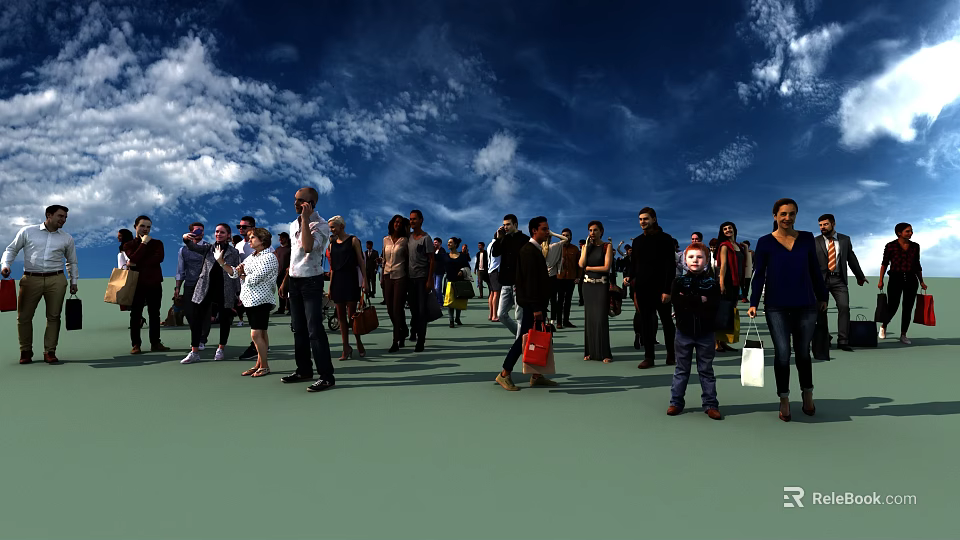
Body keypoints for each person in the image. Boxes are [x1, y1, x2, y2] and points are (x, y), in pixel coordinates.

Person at [748, 198, 828, 422]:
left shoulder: (806, 238)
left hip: (806, 304)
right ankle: (784, 398)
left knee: (803, 352)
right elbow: (759, 275)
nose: (787, 218)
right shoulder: (765, 242)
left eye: (792, 214)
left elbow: (814, 269)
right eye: (783, 214)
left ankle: (807, 394)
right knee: (782, 353)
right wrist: (753, 302)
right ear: (775, 216)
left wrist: (822, 296)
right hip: (776, 306)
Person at [2, 205, 79, 364]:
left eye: (65, 217)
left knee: (54, 316)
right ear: (48, 215)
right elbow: (11, 250)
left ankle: (50, 351)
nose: (63, 220)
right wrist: (5, 265)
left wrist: (74, 281)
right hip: (30, 279)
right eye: (60, 216)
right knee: (24, 316)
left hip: (56, 279)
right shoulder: (27, 231)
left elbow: (72, 261)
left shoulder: (67, 238)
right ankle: (25, 351)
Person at [278, 187, 335, 392]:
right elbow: (295, 256)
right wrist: (286, 281)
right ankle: (304, 370)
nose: (295, 203)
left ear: (311, 204)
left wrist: (305, 219)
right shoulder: (293, 224)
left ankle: (326, 376)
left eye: (300, 200)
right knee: (298, 329)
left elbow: (308, 247)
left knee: (315, 330)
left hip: (311, 281)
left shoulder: (321, 225)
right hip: (295, 280)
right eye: (295, 199)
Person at [494, 216, 558, 391]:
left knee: (537, 339)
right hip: (532, 305)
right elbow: (529, 282)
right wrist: (536, 308)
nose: (547, 232)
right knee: (525, 339)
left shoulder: (534, 249)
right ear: (534, 231)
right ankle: (504, 374)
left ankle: (536, 375)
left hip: (536, 304)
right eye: (544, 229)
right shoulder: (529, 251)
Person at [668, 242, 722, 420]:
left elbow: (714, 305)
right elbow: (677, 302)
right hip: (684, 331)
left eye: (699, 257)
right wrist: (701, 299)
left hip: (706, 332)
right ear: (685, 260)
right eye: (691, 257)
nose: (695, 260)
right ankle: (676, 402)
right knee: (681, 369)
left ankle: (711, 404)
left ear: (706, 260)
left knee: (706, 370)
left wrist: (689, 299)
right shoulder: (678, 282)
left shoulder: (712, 283)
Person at [219, 228, 278, 377]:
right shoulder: (252, 257)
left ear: (262, 240)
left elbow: (254, 279)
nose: (249, 240)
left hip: (261, 300)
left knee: (256, 334)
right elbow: (236, 273)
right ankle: (259, 364)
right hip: (250, 301)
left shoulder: (269, 257)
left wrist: (243, 273)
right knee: (261, 333)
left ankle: (264, 366)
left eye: (252, 238)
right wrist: (222, 263)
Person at [178, 223, 241, 364]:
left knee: (225, 320)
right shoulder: (208, 248)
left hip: (225, 289)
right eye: (217, 231)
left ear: (228, 235)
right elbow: (193, 247)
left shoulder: (234, 252)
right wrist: (185, 238)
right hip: (205, 288)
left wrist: (238, 292)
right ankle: (194, 352)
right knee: (197, 319)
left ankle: (221, 349)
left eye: (222, 232)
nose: (218, 234)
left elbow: (236, 272)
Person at [627, 207, 676, 368]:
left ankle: (671, 354)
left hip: (661, 289)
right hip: (642, 289)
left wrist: (667, 290)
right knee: (646, 323)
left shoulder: (666, 239)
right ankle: (649, 357)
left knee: (667, 322)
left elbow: (670, 266)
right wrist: (629, 276)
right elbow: (634, 264)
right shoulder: (637, 241)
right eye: (640, 219)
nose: (642, 222)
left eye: (646, 219)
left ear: (654, 219)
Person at [815, 214, 868, 351]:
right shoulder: (815, 241)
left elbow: (851, 259)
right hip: (821, 281)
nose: (822, 227)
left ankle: (843, 340)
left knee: (844, 307)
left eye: (825, 224)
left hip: (839, 279)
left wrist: (860, 276)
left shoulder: (845, 239)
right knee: (821, 310)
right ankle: (824, 338)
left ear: (833, 224)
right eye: (820, 225)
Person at [123, 215, 171, 355]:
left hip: (154, 283)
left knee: (154, 314)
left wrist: (137, 263)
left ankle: (155, 343)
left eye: (148, 227)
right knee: (135, 315)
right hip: (136, 284)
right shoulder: (128, 245)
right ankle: (136, 345)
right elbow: (133, 257)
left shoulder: (157, 243)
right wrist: (143, 243)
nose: (145, 229)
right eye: (142, 226)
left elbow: (158, 258)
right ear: (135, 227)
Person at [878, 222, 927, 345]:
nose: (911, 233)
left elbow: (917, 265)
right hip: (895, 278)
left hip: (911, 279)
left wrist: (921, 281)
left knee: (908, 308)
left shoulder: (915, 246)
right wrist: (880, 280)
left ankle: (903, 334)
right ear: (899, 233)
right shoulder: (890, 246)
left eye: (911, 231)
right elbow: (884, 263)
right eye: (908, 231)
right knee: (892, 306)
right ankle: (884, 325)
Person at [328, 215, 369, 360]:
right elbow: (332, 268)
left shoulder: (353, 241)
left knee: (352, 316)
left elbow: (361, 261)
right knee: (341, 317)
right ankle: (345, 347)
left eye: (333, 227)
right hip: (338, 281)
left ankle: (358, 342)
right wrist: (330, 287)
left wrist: (365, 281)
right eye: (330, 227)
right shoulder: (331, 245)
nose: (331, 230)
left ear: (341, 226)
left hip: (351, 280)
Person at [580, 221, 614, 363]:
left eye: (595, 230)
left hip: (601, 286)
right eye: (590, 230)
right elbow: (581, 264)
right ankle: (590, 352)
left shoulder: (607, 246)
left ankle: (605, 353)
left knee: (600, 319)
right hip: (587, 286)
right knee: (589, 319)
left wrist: (589, 268)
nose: (592, 233)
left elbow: (606, 267)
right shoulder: (586, 247)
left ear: (601, 231)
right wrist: (585, 248)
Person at [491, 214, 530, 337]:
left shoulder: (525, 239)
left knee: (520, 317)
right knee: (501, 315)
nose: (505, 227)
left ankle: (519, 342)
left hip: (519, 283)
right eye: (504, 225)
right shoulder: (504, 239)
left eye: (508, 224)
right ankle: (521, 338)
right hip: (506, 283)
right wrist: (498, 239)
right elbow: (495, 253)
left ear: (515, 224)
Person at [174, 222, 210, 348]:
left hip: (205, 284)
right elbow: (180, 270)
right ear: (190, 232)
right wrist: (177, 287)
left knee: (205, 313)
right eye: (196, 230)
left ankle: (201, 339)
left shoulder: (208, 247)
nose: (199, 233)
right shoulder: (183, 250)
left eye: (201, 230)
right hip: (189, 284)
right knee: (189, 312)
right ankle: (196, 336)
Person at [406, 209, 435, 353]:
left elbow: (432, 260)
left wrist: (430, 280)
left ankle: (421, 341)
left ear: (421, 220)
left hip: (422, 278)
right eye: (411, 219)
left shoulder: (426, 238)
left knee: (422, 310)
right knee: (413, 309)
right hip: (410, 279)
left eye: (414, 219)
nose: (412, 221)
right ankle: (414, 330)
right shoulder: (408, 238)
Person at [714, 222, 744, 353]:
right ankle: (716, 342)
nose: (727, 230)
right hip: (727, 281)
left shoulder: (738, 246)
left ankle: (724, 341)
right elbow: (723, 265)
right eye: (725, 229)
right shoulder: (724, 246)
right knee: (722, 312)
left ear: (734, 229)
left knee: (730, 312)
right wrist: (721, 283)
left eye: (729, 228)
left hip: (736, 282)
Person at [382, 215, 410, 352]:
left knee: (397, 309)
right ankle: (403, 328)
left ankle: (396, 340)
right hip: (387, 275)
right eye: (396, 222)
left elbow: (408, 259)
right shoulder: (385, 240)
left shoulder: (405, 241)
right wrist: (382, 277)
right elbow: (384, 259)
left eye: (400, 222)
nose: (397, 224)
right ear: (392, 224)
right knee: (389, 309)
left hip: (400, 276)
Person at [555, 228, 580, 329]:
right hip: (559, 278)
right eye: (563, 235)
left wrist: (578, 277)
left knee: (568, 300)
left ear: (570, 237)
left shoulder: (575, 249)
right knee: (560, 300)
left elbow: (579, 265)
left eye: (567, 235)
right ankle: (559, 322)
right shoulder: (556, 248)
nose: (565, 237)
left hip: (571, 278)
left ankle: (566, 321)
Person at [444, 237, 470, 328]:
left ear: (455, 244)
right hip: (449, 281)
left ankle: (457, 318)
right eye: (448, 242)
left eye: (450, 242)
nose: (448, 244)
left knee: (459, 301)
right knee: (450, 302)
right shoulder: (445, 256)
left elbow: (467, 267)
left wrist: (462, 271)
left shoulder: (462, 256)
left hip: (459, 282)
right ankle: (451, 320)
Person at [273, 232, 291, 314]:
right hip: (279, 274)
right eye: (280, 237)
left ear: (286, 239)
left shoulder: (290, 249)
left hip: (288, 274)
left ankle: (290, 309)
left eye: (282, 237)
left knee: (289, 291)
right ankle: (281, 309)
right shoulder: (278, 249)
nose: (280, 239)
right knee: (280, 291)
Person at [486, 232, 502, 322]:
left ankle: (491, 314)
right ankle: (494, 315)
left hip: (490, 270)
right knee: (496, 293)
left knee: (492, 293)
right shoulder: (497, 244)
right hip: (496, 270)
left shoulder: (490, 244)